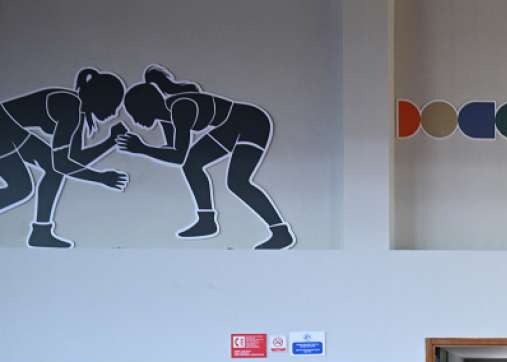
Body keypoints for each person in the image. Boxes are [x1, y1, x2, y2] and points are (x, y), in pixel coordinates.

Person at [115, 65, 294, 249]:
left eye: (134, 114)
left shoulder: (181, 108)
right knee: (191, 165)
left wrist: (142, 148)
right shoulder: (166, 118)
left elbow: (178, 156)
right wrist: (144, 149)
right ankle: (207, 222)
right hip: (231, 126)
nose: (135, 121)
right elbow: (173, 152)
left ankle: (281, 233)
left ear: (147, 107)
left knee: (237, 183)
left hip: (252, 122)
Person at [1, 68, 130, 248]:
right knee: (21, 187)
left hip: (11, 131)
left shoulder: (77, 114)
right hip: (5, 129)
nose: (115, 112)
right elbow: (63, 165)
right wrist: (101, 177)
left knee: (48, 172)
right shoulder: (69, 106)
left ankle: (41, 232)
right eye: (114, 104)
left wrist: (110, 141)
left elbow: (74, 162)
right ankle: (40, 232)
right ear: (100, 99)